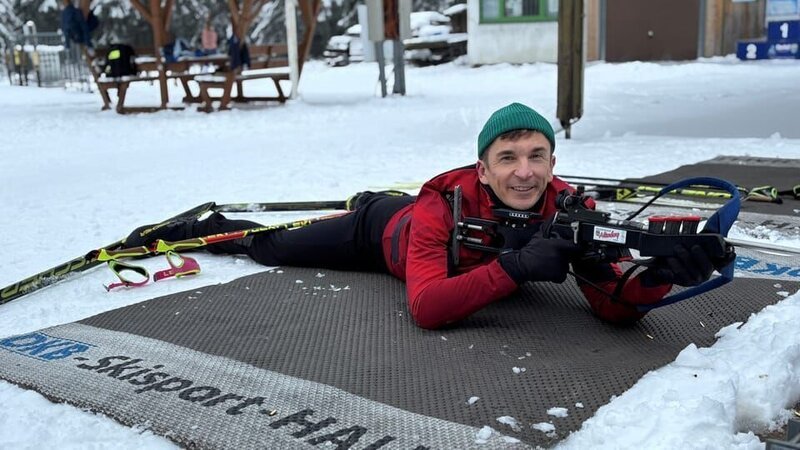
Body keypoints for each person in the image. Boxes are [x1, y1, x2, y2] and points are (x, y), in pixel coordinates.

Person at [125, 103, 731, 329]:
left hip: (435, 244)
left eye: (537, 156)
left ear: (554, 162)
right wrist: (518, 267)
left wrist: (662, 275)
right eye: (508, 158)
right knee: (274, 247)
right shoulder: (445, 201)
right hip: (377, 234)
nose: (524, 172)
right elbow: (426, 308)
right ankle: (200, 231)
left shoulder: (573, 209)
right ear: (483, 169)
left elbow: (613, 304)